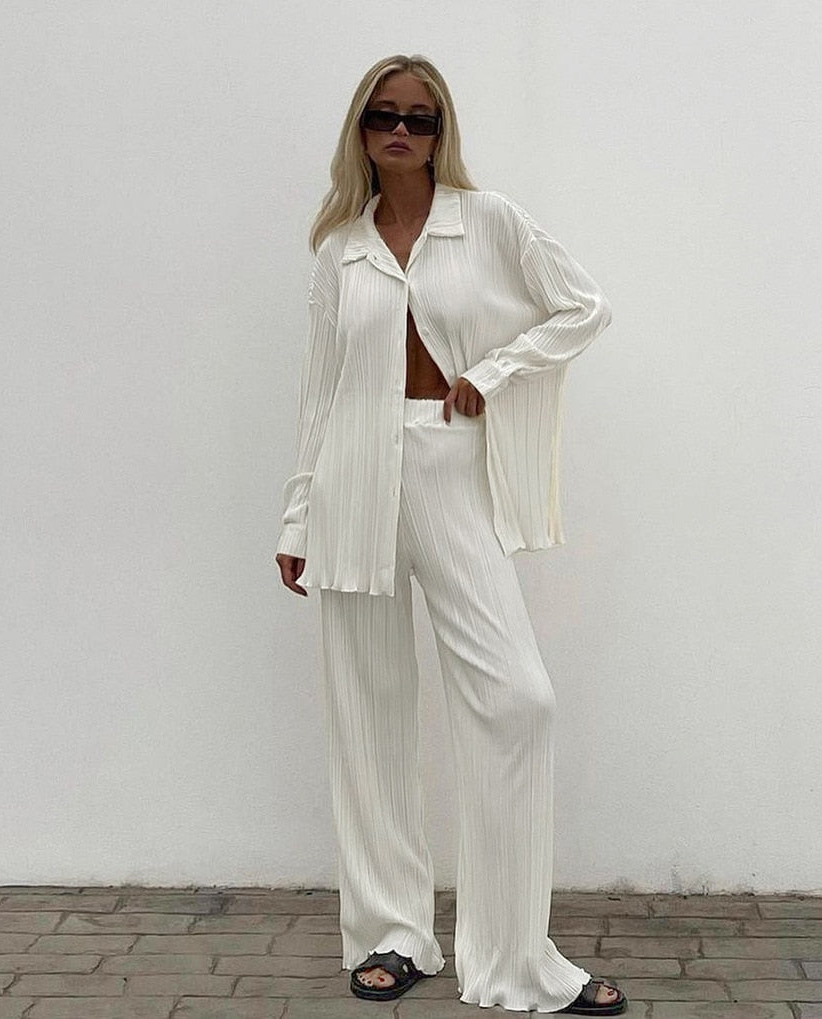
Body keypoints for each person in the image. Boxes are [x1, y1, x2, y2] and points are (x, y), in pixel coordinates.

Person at [275, 53, 625, 1015]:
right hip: (350, 480)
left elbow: (584, 306)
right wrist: (297, 514)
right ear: (361, 129)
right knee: (368, 715)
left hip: (447, 464)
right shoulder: (340, 249)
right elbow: (320, 393)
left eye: (419, 118)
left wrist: (495, 372)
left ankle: (513, 954)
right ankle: (391, 933)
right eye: (383, 115)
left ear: (440, 133)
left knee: (518, 699)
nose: (400, 130)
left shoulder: (490, 220)